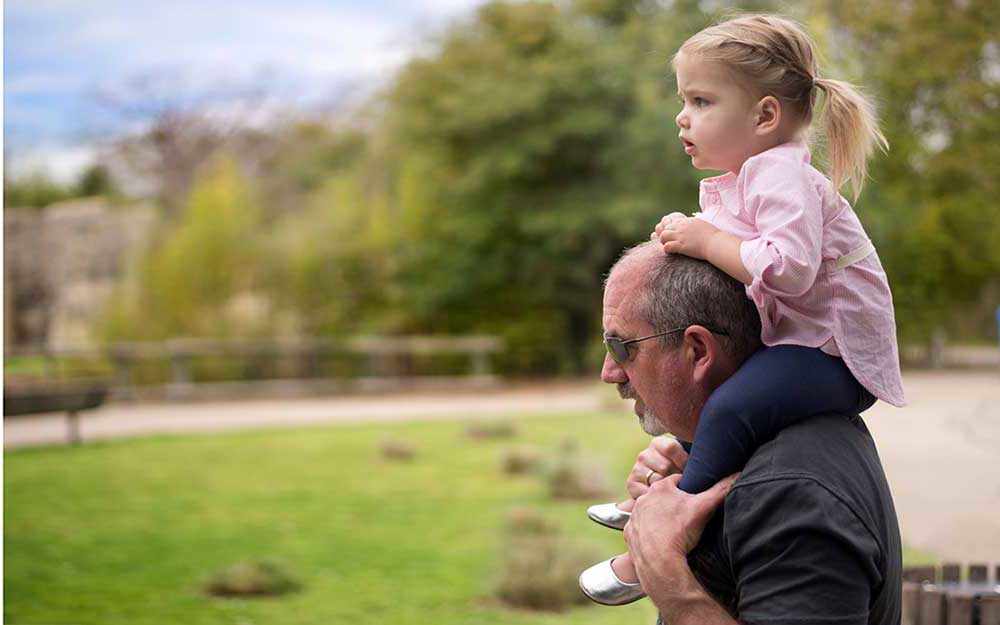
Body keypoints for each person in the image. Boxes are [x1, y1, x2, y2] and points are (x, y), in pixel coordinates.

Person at [579, 13, 905, 604]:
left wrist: (705, 239)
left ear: (764, 116)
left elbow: (789, 268)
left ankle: (660, 536)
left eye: (701, 101)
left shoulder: (780, 175)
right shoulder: (753, 176)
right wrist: (693, 233)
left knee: (730, 408)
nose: (682, 117)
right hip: (806, 346)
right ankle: (661, 494)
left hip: (833, 355)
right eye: (683, 100)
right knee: (724, 414)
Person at [598, 243, 902, 623]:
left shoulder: (787, 493)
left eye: (621, 347)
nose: (609, 372)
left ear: (698, 350)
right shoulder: (764, 448)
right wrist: (685, 473)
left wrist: (668, 576)